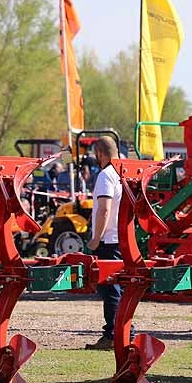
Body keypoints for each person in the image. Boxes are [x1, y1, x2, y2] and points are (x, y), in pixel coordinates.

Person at [84, 136, 128, 350]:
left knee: (110, 289)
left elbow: (104, 209)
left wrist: (95, 239)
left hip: (108, 241)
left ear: (100, 153)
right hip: (123, 240)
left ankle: (113, 335)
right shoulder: (124, 173)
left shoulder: (106, 175)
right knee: (118, 289)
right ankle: (123, 331)